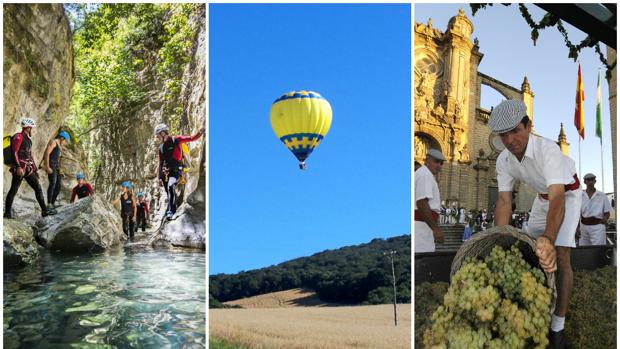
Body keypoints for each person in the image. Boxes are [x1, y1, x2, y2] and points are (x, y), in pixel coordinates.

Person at [489, 100, 581, 348]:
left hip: (567, 195)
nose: (510, 140)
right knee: (531, 250)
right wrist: (498, 238)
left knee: (559, 254)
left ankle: (557, 326)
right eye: (503, 135)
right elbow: (504, 201)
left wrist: (549, 238)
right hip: (542, 200)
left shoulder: (548, 150)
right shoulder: (503, 161)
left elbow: (558, 196)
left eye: (515, 130)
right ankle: (538, 299)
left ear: (528, 126)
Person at [4, 118, 55, 218]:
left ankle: (44, 211)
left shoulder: (28, 140)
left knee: (38, 188)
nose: (32, 129)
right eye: (31, 127)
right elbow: (14, 152)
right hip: (19, 169)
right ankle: (7, 213)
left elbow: (30, 156)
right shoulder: (18, 137)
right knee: (13, 190)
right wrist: (18, 167)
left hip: (27, 169)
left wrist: (35, 170)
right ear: (27, 127)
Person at [154, 123, 205, 220]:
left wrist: (200, 132)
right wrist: (159, 178)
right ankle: (172, 208)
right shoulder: (161, 148)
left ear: (163, 133)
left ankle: (171, 212)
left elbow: (191, 138)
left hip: (176, 171)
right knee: (169, 190)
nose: (157, 137)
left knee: (170, 186)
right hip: (165, 173)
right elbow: (160, 164)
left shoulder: (176, 139)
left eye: (158, 135)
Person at [415, 149, 445, 252]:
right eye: (436, 162)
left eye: (441, 163)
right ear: (427, 160)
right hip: (422, 226)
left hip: (424, 226)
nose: (439, 166)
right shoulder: (425, 175)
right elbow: (422, 202)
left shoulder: (424, 174)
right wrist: (435, 229)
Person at [576, 173, 611, 246]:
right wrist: (577, 228)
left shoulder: (602, 195)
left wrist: (605, 218)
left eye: (592, 179)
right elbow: (577, 214)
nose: (590, 182)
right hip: (583, 227)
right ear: (585, 182)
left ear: (595, 181)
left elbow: (607, 212)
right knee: (584, 250)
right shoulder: (580, 196)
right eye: (588, 180)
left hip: (597, 227)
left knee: (598, 250)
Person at [44, 130, 71, 211]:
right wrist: (47, 166)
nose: (65, 143)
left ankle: (52, 203)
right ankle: (49, 204)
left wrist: (60, 170)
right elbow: (47, 153)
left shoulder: (59, 145)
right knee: (53, 183)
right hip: (51, 165)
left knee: (58, 186)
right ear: (62, 138)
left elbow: (57, 159)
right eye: (65, 141)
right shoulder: (54, 142)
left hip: (56, 167)